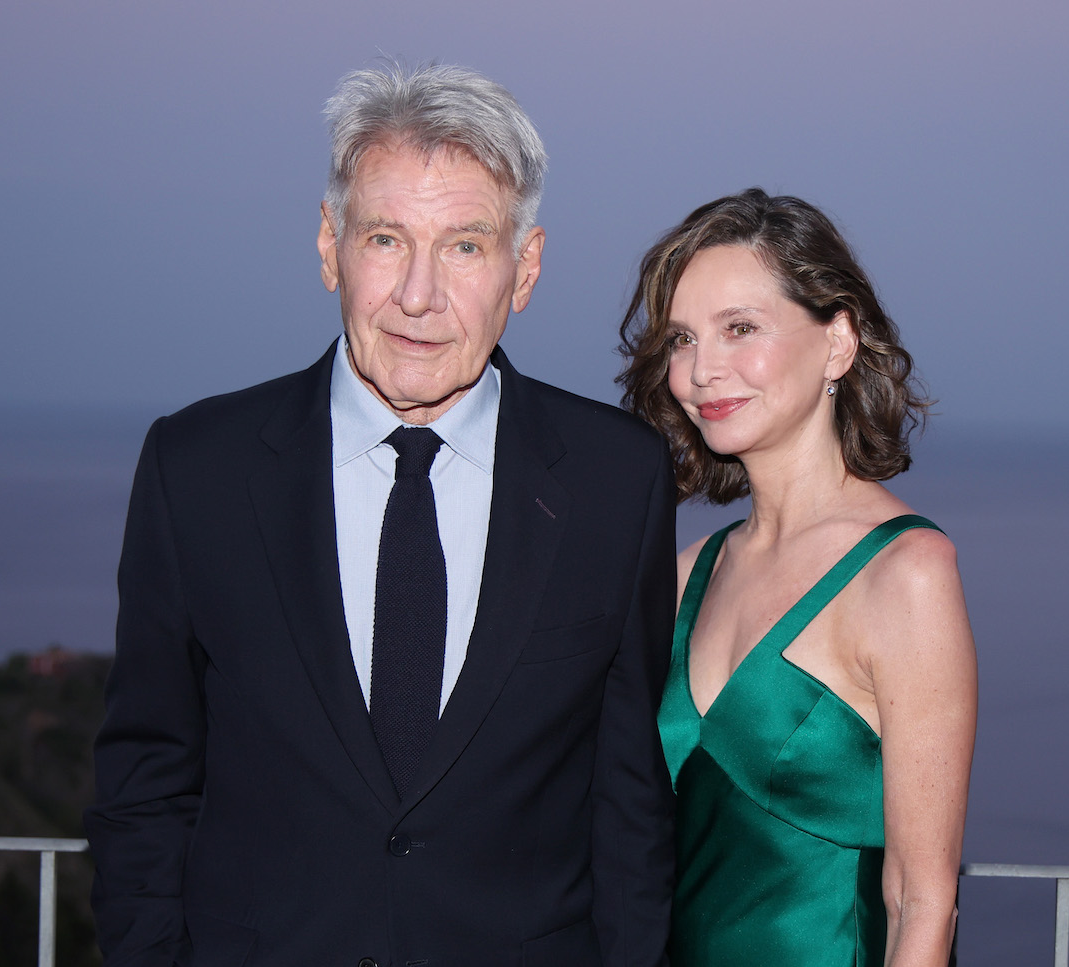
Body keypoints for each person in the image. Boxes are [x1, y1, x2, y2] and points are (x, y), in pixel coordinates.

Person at [84, 62, 677, 967]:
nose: (419, 297)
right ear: (330, 246)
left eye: (467, 246)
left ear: (527, 268)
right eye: (387, 239)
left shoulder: (615, 479)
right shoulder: (196, 468)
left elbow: (630, 799)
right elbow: (145, 782)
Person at [618, 189, 977, 967]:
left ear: (838, 342)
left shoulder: (905, 574)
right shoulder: (684, 577)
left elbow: (922, 899)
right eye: (682, 338)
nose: (702, 369)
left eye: (739, 328)